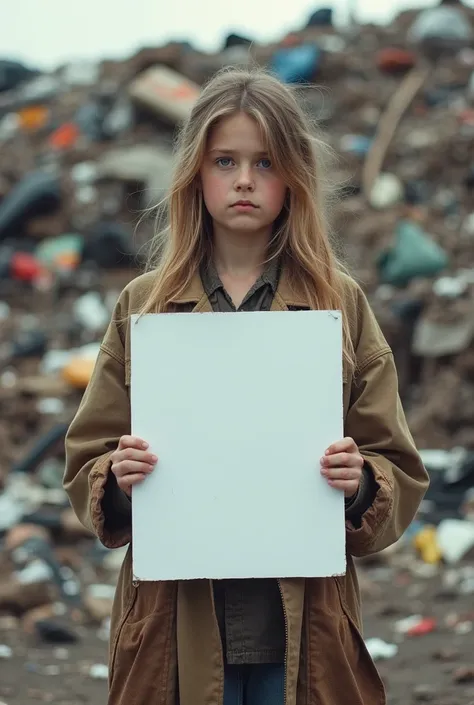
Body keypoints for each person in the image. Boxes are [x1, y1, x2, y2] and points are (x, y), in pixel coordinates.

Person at [64, 68, 429, 705]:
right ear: (194, 175)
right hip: (174, 631)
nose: (243, 181)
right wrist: (117, 478)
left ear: (293, 175)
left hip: (302, 632)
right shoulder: (144, 307)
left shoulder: (336, 304)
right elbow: (85, 460)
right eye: (224, 161)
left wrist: (360, 481)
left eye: (265, 162)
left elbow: (397, 465)